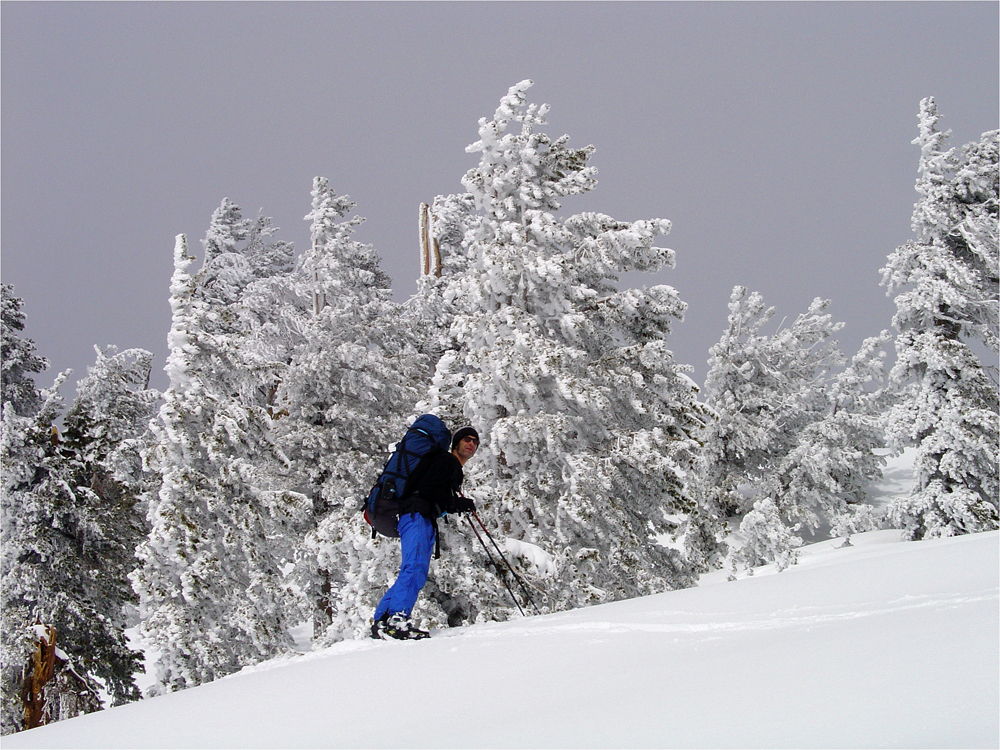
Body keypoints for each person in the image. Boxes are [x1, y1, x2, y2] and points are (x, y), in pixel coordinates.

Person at [370, 426, 479, 640]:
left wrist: (455, 504)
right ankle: (396, 620)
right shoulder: (446, 461)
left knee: (413, 569)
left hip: (416, 517)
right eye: (467, 439)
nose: (471, 444)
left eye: (475, 442)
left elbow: (434, 494)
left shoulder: (449, 465)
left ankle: (382, 621)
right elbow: (431, 491)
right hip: (416, 516)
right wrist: (458, 503)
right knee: (415, 568)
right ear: (455, 443)